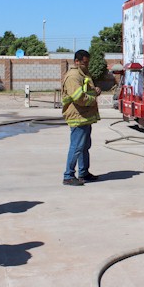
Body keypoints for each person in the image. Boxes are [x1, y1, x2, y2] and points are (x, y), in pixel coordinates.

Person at [61, 49, 101, 186]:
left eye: (88, 63)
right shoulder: (73, 76)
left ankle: (83, 173)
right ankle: (68, 175)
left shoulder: (83, 74)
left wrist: (95, 91)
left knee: (85, 146)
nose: (87, 65)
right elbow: (78, 97)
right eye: (85, 63)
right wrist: (93, 97)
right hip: (77, 116)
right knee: (77, 146)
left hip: (85, 116)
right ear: (76, 61)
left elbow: (87, 90)